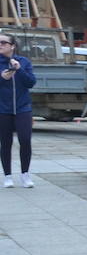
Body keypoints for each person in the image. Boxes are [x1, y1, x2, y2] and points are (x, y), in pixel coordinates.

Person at [0, 32, 37, 188]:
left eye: (3, 42)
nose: (0, 45)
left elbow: (31, 82)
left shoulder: (23, 61)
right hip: (3, 109)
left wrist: (19, 69)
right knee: (5, 142)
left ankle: (25, 174)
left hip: (23, 108)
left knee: (25, 140)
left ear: (12, 46)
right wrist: (2, 77)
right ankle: (8, 176)